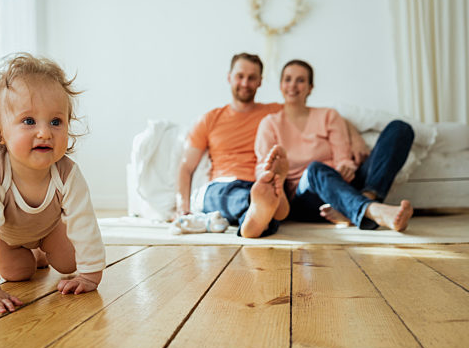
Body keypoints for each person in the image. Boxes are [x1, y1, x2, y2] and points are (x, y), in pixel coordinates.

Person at [0, 53, 106, 314]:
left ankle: (43, 251)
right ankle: (32, 256)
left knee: (69, 261)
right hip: (8, 238)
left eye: (56, 121)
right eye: (29, 121)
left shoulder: (67, 173)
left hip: (49, 229)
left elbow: (84, 223)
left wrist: (90, 275)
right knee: (19, 273)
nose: (45, 132)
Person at [255, 59, 415, 231]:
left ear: (310, 87)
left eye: (300, 80)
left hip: (341, 185)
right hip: (305, 199)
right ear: (280, 85)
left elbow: (343, 158)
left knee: (400, 129)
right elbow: (263, 169)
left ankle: (364, 200)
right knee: (315, 169)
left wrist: (346, 166)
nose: (293, 85)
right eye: (288, 79)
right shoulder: (269, 123)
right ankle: (372, 210)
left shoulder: (328, 115)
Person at [176, 53, 290, 238]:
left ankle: (254, 220)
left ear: (260, 81)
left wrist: (353, 137)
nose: (245, 83)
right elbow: (186, 167)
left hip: (259, 183)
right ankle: (258, 213)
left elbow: (312, 115)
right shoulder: (209, 119)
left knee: (265, 194)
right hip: (222, 186)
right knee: (252, 199)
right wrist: (183, 208)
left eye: (252, 78)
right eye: (240, 76)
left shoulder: (274, 113)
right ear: (229, 77)